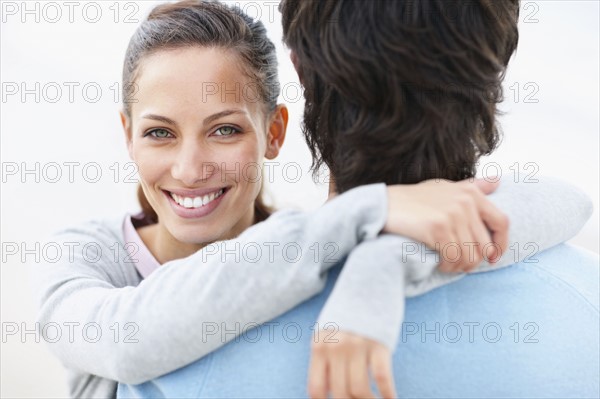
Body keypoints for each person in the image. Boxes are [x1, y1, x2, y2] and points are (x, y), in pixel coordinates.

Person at [31, 1, 593, 399]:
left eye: (226, 130)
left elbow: (566, 201)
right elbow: (122, 336)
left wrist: (379, 257)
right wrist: (374, 216)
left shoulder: (302, 260)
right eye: (159, 132)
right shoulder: (87, 258)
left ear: (277, 128)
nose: (189, 168)